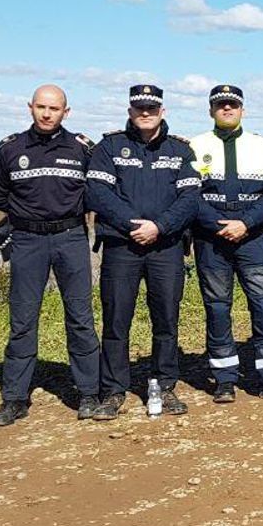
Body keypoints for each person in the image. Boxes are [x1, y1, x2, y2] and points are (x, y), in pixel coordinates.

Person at [0, 86, 103, 427]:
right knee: (23, 320)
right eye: (41, 107)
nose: (47, 114)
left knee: (80, 317)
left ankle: (88, 394)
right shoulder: (10, 148)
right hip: (26, 241)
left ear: (67, 112)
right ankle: (14, 399)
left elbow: (95, 192)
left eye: (54, 108)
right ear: (30, 108)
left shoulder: (82, 148)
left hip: (70, 238)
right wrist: (29, 216)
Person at [85, 84, 200, 420]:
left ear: (162, 111)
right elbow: (98, 193)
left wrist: (159, 227)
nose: (145, 113)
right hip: (122, 245)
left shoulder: (180, 150)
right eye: (139, 108)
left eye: (152, 108)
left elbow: (190, 199)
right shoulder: (110, 147)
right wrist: (134, 225)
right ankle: (113, 390)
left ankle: (165, 385)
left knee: (166, 319)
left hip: (166, 247)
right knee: (116, 320)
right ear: (130, 111)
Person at [190, 85, 263, 403]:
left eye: (233, 105)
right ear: (210, 110)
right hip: (211, 240)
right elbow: (189, 196)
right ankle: (224, 377)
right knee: (218, 307)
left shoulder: (262, 147)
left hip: (252, 239)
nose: (227, 109)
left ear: (243, 110)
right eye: (220, 105)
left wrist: (246, 223)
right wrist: (218, 226)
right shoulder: (195, 147)